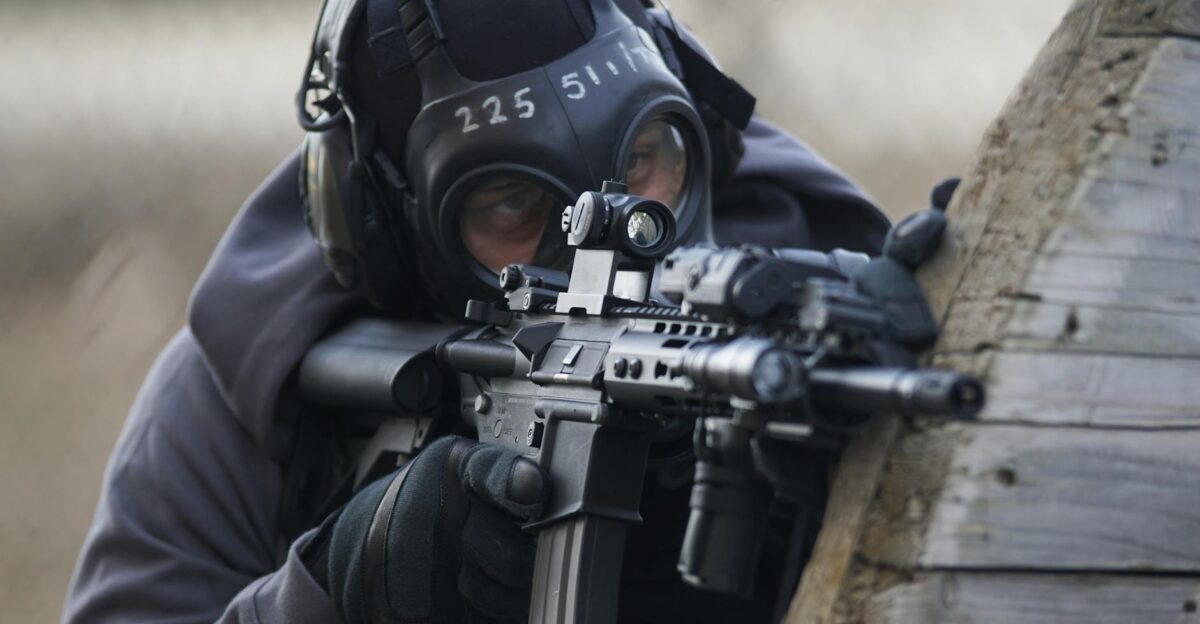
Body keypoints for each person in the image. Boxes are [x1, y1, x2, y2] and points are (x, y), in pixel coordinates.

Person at [62, 0, 893, 622]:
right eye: (510, 205)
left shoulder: (821, 297)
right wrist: (329, 591)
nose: (610, 234)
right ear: (385, 225)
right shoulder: (255, 386)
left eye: (644, 160)